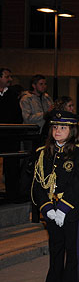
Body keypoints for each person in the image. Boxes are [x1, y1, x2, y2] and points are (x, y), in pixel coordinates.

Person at [31, 110, 79, 282]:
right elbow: (39, 182)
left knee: (72, 253)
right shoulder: (43, 152)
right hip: (50, 210)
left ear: (72, 130)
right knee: (55, 251)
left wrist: (63, 209)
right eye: (55, 127)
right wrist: (46, 207)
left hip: (71, 211)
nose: (58, 131)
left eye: (63, 127)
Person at [0, 67, 24, 202]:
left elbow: (17, 115)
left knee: (12, 166)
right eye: (6, 76)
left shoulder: (12, 94)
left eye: (10, 77)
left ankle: (12, 195)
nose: (10, 79)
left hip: (10, 136)